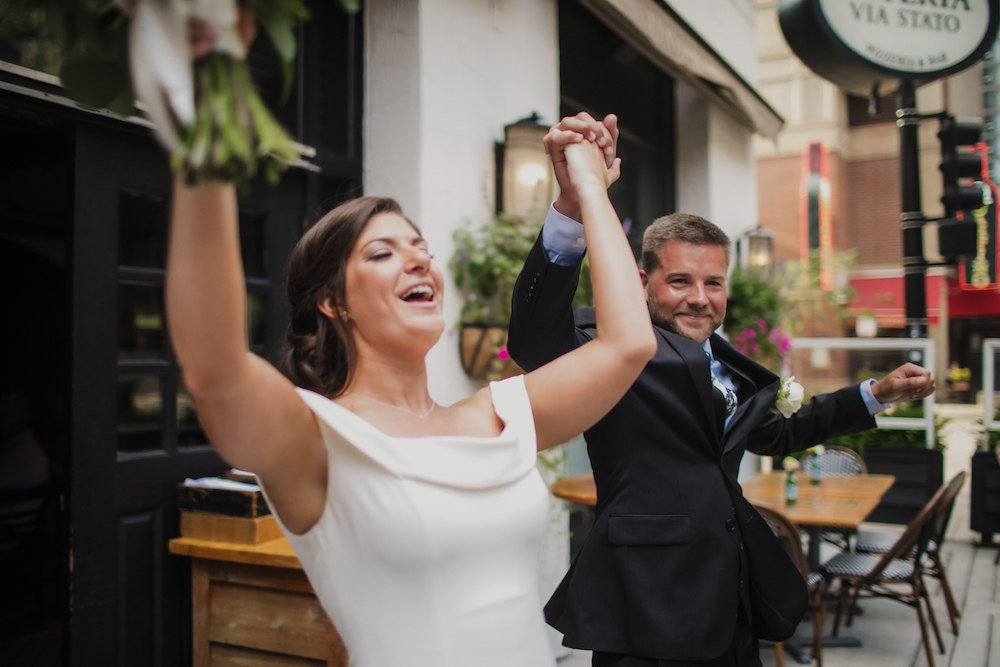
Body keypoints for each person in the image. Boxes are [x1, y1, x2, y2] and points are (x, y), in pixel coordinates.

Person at [164, 27, 656, 660]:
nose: (419, 262)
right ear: (332, 301)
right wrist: (207, 101)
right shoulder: (314, 436)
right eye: (383, 253)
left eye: (421, 248)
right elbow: (213, 368)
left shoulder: (499, 415)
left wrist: (587, 192)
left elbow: (627, 344)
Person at [507, 114, 936, 666]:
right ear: (641, 284)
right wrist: (571, 208)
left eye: (713, 283)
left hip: (729, 594)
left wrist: (876, 393)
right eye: (680, 281)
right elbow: (534, 339)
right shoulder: (609, 345)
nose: (700, 298)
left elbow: (780, 433)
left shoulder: (731, 365)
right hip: (646, 601)